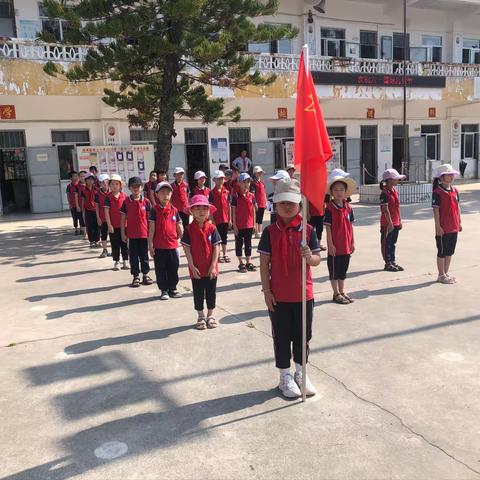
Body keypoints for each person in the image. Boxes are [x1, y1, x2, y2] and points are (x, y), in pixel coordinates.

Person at [258, 179, 321, 399]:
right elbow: (264, 265)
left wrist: (309, 256)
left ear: (300, 205)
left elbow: (316, 260)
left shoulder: (308, 230)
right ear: (275, 204)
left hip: (304, 295)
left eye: (291, 202)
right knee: (282, 337)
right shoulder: (269, 232)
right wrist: (267, 292)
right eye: (282, 202)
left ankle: (301, 373)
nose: (287, 206)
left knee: (303, 336)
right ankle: (284, 376)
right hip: (279, 296)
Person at [181, 195, 222, 330]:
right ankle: (200, 316)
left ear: (209, 211)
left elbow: (216, 247)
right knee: (198, 293)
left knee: (211, 292)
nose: (201, 211)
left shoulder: (212, 228)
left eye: (204, 207)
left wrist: (213, 266)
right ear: (191, 211)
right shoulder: (188, 229)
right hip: (196, 270)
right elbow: (187, 248)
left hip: (211, 269)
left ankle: (210, 315)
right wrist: (191, 266)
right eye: (197, 208)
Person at [324, 169, 356, 305]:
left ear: (345, 192)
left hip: (346, 246)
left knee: (343, 270)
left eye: (341, 190)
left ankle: (342, 291)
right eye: (336, 190)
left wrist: (352, 242)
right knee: (334, 270)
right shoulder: (329, 209)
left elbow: (351, 226)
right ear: (331, 192)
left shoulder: (348, 207)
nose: (339, 192)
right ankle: (335, 293)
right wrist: (330, 244)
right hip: (335, 246)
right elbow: (328, 228)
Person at [148, 181, 184, 300]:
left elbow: (179, 226)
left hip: (173, 246)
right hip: (159, 246)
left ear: (171, 194)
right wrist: (150, 245)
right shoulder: (154, 210)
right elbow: (152, 228)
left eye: (168, 193)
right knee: (161, 269)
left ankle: (173, 288)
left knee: (173, 268)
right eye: (162, 193)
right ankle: (164, 290)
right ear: (157, 195)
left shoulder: (174, 210)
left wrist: (184, 240)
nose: (165, 195)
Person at [432, 163, 462, 284]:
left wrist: (459, 222)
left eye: (452, 175)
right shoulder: (437, 192)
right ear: (441, 177)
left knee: (450, 251)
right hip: (443, 228)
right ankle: (441, 274)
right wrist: (438, 226)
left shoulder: (455, 190)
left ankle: (446, 273)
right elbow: (436, 211)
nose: (451, 177)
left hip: (453, 227)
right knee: (442, 252)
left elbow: (458, 208)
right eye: (448, 175)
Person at [121, 176, 153, 287]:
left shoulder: (146, 202)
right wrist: (122, 233)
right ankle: (136, 276)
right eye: (133, 186)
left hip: (144, 234)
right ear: (129, 188)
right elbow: (123, 219)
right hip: (131, 235)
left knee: (144, 255)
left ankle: (145, 274)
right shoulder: (126, 202)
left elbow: (150, 219)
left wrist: (151, 234)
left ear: (142, 187)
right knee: (133, 256)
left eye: (138, 186)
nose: (136, 189)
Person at [380, 168, 406, 272]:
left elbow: (397, 207)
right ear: (389, 180)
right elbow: (385, 210)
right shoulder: (384, 193)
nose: (397, 181)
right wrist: (390, 223)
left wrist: (399, 221)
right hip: (387, 224)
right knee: (386, 243)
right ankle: (387, 263)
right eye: (395, 179)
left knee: (393, 243)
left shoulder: (394, 191)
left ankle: (393, 261)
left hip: (395, 222)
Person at [231, 172, 257, 273]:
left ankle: (248, 262)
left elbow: (253, 211)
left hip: (249, 224)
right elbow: (233, 211)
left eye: (248, 182)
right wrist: (235, 225)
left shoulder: (252, 196)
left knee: (248, 244)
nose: (246, 184)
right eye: (244, 182)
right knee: (239, 244)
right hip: (239, 225)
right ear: (239, 184)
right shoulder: (236, 196)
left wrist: (254, 224)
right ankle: (241, 263)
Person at [105, 174, 129, 271]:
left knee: (124, 243)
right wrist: (109, 225)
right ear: (109, 186)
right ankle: (116, 261)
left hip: (124, 225)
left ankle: (125, 260)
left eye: (116, 184)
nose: (114, 186)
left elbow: (128, 211)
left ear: (120, 186)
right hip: (113, 226)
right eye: (112, 184)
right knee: (115, 244)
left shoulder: (125, 197)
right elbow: (106, 212)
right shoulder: (108, 197)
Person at [209, 170, 231, 263]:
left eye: (222, 179)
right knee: (217, 238)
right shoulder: (211, 193)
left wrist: (230, 219)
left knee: (224, 237)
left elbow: (229, 206)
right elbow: (210, 208)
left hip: (225, 219)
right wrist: (212, 220)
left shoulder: (227, 191)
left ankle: (225, 253)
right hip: (216, 219)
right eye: (218, 179)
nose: (220, 181)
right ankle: (218, 254)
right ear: (214, 180)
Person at [82, 172, 101, 248]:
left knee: (97, 226)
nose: (90, 181)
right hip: (88, 211)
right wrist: (83, 213)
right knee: (90, 227)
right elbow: (83, 202)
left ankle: (97, 240)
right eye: (89, 179)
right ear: (86, 180)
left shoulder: (97, 190)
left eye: (92, 179)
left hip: (96, 210)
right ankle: (91, 241)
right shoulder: (83, 190)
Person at [95, 173, 111, 258]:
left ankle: (114, 250)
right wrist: (98, 217)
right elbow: (97, 206)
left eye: (105, 182)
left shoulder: (112, 192)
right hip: (102, 217)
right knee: (103, 234)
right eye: (102, 182)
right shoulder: (97, 194)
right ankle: (105, 250)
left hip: (112, 218)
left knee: (113, 235)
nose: (104, 184)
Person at [252, 166, 267, 239]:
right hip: (257, 203)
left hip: (263, 203)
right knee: (256, 218)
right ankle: (256, 232)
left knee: (261, 218)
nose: (260, 174)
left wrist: (266, 202)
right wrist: (255, 203)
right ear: (255, 173)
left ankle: (260, 231)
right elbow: (253, 194)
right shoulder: (253, 183)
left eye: (261, 173)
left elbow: (264, 193)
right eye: (259, 173)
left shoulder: (262, 183)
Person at [66, 171, 81, 235]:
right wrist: (69, 204)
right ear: (71, 178)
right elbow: (68, 196)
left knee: (81, 217)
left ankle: (82, 229)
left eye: (77, 176)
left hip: (80, 204)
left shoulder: (80, 185)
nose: (76, 177)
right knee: (75, 217)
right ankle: (76, 229)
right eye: (74, 176)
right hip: (73, 205)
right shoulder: (69, 186)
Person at [74, 170, 88, 239]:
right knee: (82, 219)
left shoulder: (89, 185)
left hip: (89, 206)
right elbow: (76, 196)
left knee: (89, 220)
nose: (83, 178)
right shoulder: (77, 186)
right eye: (81, 176)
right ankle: (85, 234)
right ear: (79, 177)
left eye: (84, 176)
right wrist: (77, 206)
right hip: (81, 206)